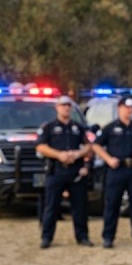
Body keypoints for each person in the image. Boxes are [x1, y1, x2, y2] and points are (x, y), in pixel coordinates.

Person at [92, 97, 132, 248]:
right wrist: (108, 159)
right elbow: (96, 146)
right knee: (112, 204)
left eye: (131, 108)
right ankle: (108, 237)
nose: (129, 110)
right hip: (116, 170)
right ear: (119, 108)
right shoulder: (110, 128)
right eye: (126, 107)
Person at [35, 95, 93, 248]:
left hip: (75, 172)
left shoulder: (78, 128)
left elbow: (88, 146)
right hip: (56, 171)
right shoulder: (49, 127)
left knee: (79, 207)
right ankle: (46, 238)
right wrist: (59, 155)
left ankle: (82, 237)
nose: (66, 108)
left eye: (68, 105)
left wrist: (77, 154)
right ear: (57, 108)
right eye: (63, 105)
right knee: (51, 206)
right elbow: (41, 147)